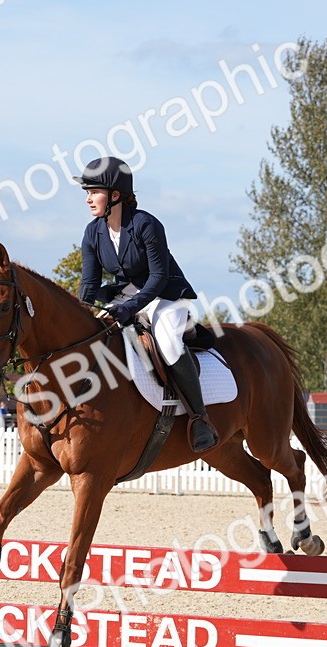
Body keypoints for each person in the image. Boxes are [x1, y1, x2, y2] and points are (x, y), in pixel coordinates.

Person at [74, 155, 218, 452]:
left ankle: (200, 418)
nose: (88, 199)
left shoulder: (146, 224)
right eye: (87, 192)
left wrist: (129, 307)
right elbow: (89, 284)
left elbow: (158, 277)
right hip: (127, 294)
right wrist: (77, 313)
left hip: (166, 295)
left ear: (115, 195)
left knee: (168, 343)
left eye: (94, 192)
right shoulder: (93, 232)